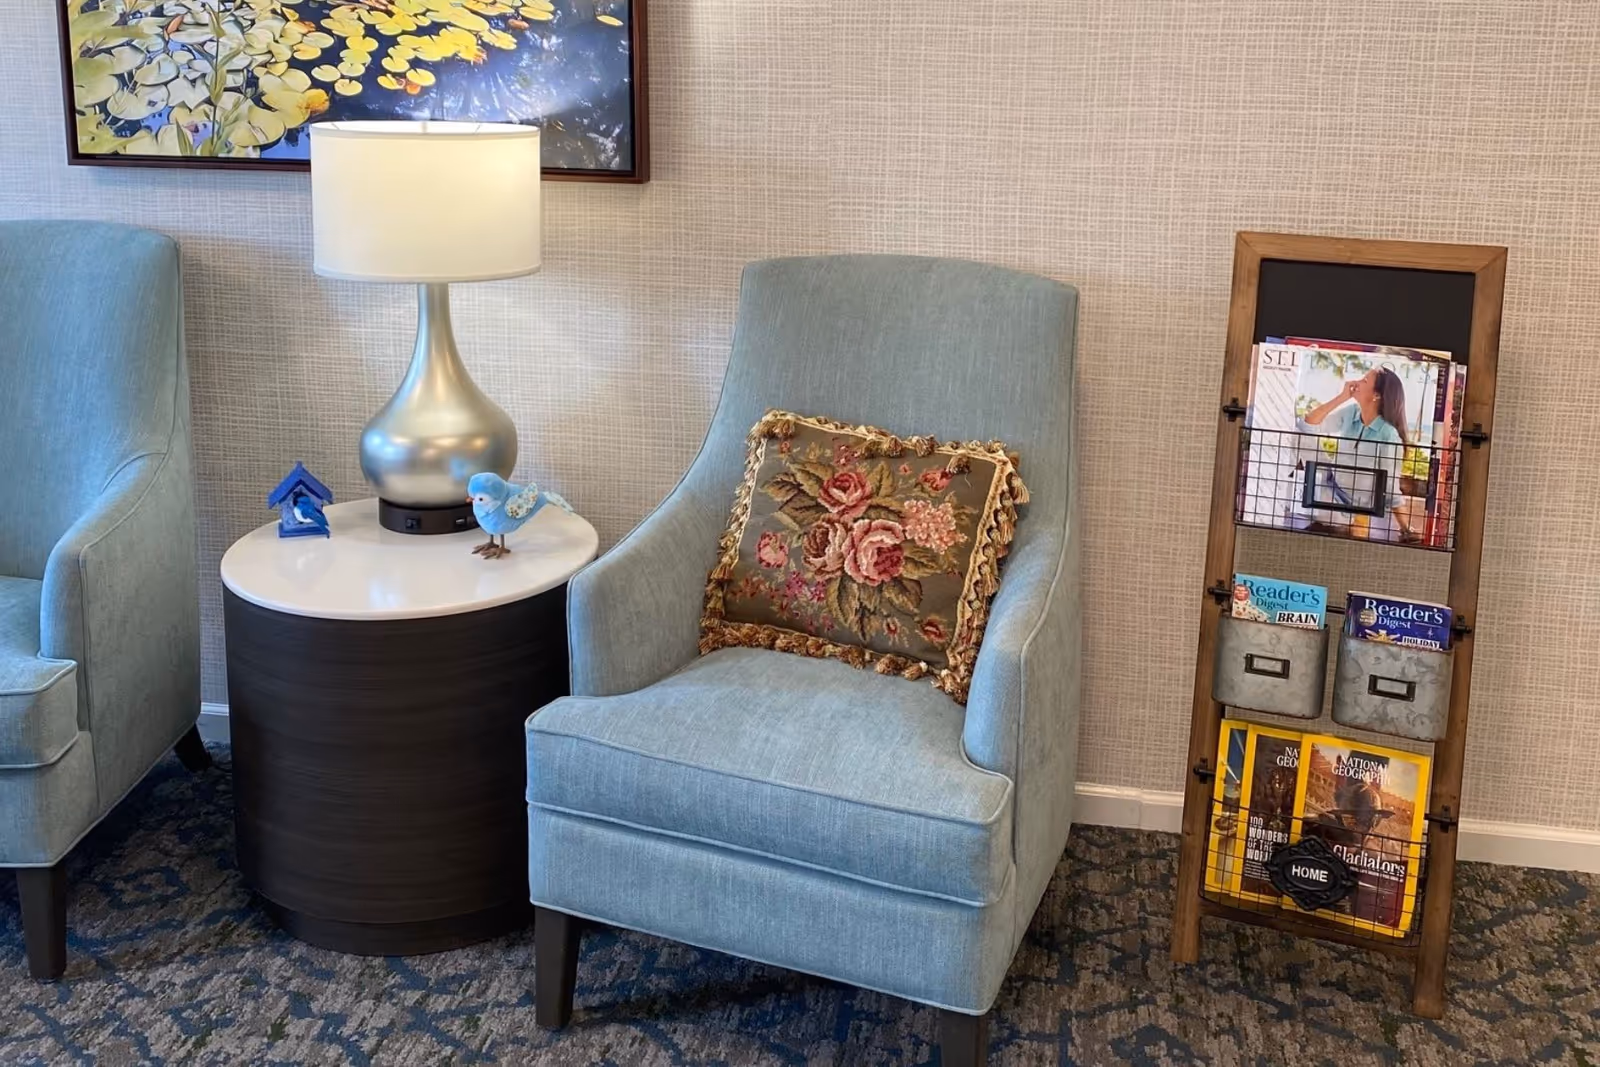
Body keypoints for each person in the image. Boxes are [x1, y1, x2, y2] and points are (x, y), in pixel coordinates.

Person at [1297, 367, 1412, 540]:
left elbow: (1390, 486)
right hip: (1329, 481)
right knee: (1299, 433)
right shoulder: (1352, 412)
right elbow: (1309, 424)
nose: (1356, 383)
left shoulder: (1388, 435)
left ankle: (1333, 519)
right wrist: (1342, 397)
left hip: (1347, 506)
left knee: (1310, 507)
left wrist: (1406, 529)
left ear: (1376, 395)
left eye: (1364, 381)